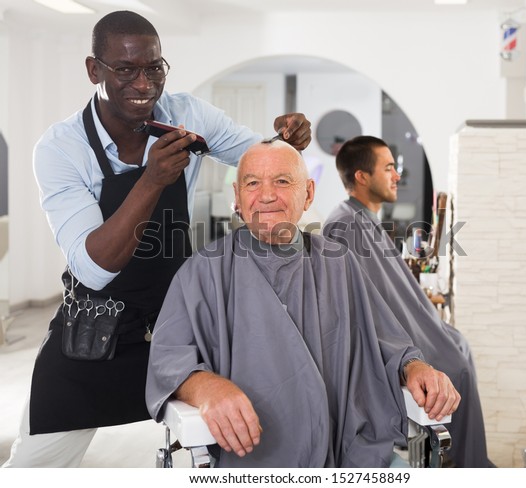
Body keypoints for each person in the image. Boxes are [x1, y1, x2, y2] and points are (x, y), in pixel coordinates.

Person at [2, 10, 311, 468]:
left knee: (225, 434)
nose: (143, 84)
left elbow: (259, 157)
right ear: (94, 70)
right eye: (124, 70)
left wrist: (285, 140)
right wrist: (150, 181)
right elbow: (94, 266)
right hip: (95, 334)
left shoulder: (188, 116)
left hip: (175, 323)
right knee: (36, 466)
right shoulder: (60, 148)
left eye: (154, 68)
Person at [145, 139, 460, 468]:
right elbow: (168, 359)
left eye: (282, 181)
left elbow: (385, 340)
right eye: (253, 183)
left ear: (308, 194)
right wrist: (205, 388)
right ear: (237, 198)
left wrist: (415, 368)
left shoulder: (340, 263)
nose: (266, 195)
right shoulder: (202, 272)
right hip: (255, 460)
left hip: (349, 453)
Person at [322, 135, 493, 468]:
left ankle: (471, 463)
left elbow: (398, 290)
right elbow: (369, 305)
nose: (397, 176)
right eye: (388, 168)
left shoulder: (366, 221)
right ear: (362, 176)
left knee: (460, 345)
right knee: (455, 367)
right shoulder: (344, 226)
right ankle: (465, 467)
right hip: (386, 342)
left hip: (410, 329)